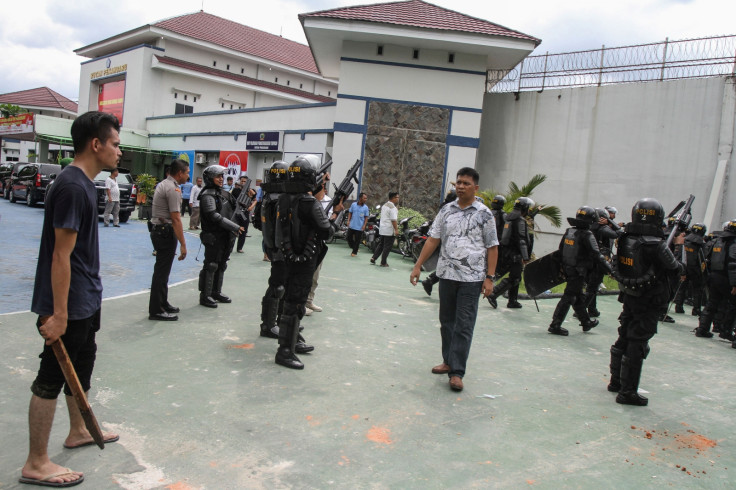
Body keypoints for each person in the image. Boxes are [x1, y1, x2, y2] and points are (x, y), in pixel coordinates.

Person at [20, 111, 121, 488]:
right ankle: (36, 461)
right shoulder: (72, 187)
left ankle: (77, 429)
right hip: (68, 302)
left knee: (82, 364)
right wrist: (58, 313)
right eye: (114, 143)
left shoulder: (84, 184)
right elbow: (60, 255)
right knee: (51, 375)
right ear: (96, 144)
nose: (119, 151)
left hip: (85, 298)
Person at [410, 167, 498, 392]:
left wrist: (489, 277)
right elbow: (433, 239)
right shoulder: (446, 210)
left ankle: (457, 372)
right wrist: (418, 265)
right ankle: (448, 360)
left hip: (471, 278)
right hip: (446, 275)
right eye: (458, 182)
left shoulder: (484, 213)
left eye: (466, 183)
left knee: (464, 324)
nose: (460, 186)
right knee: (447, 321)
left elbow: (492, 247)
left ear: (475, 187)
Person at [608, 198, 682, 406]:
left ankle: (616, 382)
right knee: (637, 342)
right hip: (650, 298)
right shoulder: (656, 244)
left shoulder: (625, 238)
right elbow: (674, 267)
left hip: (631, 295)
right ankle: (628, 391)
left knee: (624, 335)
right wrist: (677, 247)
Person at [275, 156, 332, 369]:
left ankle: (291, 343)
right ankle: (285, 351)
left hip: (290, 256)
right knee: (296, 303)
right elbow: (326, 231)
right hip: (305, 259)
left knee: (290, 300)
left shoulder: (285, 198)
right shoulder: (309, 203)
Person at [548, 206, 611, 336]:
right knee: (569, 297)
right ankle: (555, 325)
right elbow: (597, 255)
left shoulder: (569, 232)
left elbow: (560, 251)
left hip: (568, 268)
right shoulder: (588, 235)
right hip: (578, 271)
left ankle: (586, 322)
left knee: (578, 297)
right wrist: (611, 270)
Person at [148, 159, 189, 321]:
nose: (188, 175)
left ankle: (162, 303)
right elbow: (176, 218)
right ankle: (156, 310)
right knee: (161, 272)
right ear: (179, 173)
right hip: (165, 232)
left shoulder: (165, 184)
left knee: (163, 272)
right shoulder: (172, 189)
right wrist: (183, 245)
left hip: (160, 230)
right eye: (186, 172)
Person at [198, 165, 244, 308]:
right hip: (213, 235)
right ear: (210, 178)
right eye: (217, 176)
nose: (220, 179)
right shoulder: (207, 195)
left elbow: (235, 207)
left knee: (222, 264)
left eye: (221, 176)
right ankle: (206, 295)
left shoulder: (224, 193)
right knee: (211, 265)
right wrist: (234, 227)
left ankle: (216, 291)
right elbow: (214, 216)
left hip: (226, 235)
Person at [487, 197, 534, 309]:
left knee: (516, 276)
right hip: (515, 254)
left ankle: (512, 301)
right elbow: (522, 239)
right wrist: (526, 256)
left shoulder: (509, 218)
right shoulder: (520, 221)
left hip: (507, 252)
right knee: (515, 278)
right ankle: (494, 293)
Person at [694, 220, 736, 340]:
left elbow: (706, 259)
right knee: (733, 305)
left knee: (711, 303)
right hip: (726, 279)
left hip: (713, 277)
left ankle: (702, 329)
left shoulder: (717, 241)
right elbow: (733, 264)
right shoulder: (733, 243)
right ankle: (726, 331)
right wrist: (734, 284)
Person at [582, 208, 622, 317]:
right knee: (593, 286)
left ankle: (592, 309)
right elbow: (619, 233)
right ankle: (581, 310)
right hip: (598, 261)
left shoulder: (588, 226)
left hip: (588, 260)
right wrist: (611, 222)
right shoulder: (601, 228)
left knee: (592, 286)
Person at [370, 191, 400, 267]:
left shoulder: (384, 205)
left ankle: (374, 257)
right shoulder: (392, 208)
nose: (398, 199)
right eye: (397, 197)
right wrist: (396, 229)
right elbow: (393, 220)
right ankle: (383, 262)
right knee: (387, 246)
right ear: (393, 198)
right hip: (389, 229)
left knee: (381, 244)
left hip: (383, 228)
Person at [231, 176, 256, 253]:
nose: (243, 183)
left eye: (245, 181)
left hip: (245, 213)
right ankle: (230, 247)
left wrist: (251, 207)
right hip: (236, 212)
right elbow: (230, 198)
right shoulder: (235, 190)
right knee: (233, 230)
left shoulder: (251, 191)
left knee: (243, 231)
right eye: (242, 181)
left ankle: (239, 248)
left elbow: (255, 199)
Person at [346, 192, 370, 257]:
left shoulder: (366, 208)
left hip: (359, 227)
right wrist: (348, 221)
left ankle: (354, 252)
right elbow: (350, 213)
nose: (365, 199)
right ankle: (354, 247)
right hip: (352, 225)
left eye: (366, 198)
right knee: (348, 238)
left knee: (357, 240)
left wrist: (364, 225)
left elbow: (366, 217)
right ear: (360, 198)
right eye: (364, 198)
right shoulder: (353, 205)